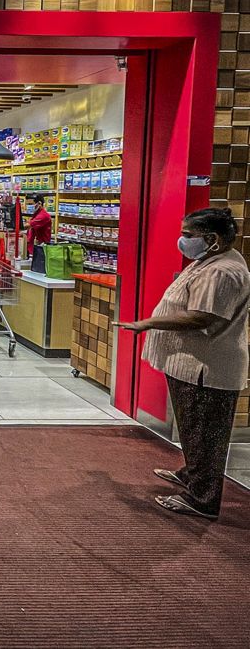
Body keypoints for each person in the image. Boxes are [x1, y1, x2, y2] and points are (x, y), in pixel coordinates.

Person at [115, 207, 250, 520]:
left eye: (188, 235)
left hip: (207, 367)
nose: (182, 241)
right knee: (193, 427)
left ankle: (203, 500)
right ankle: (192, 474)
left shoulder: (221, 271)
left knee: (206, 432)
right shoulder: (210, 261)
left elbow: (204, 316)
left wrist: (148, 323)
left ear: (212, 239)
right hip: (191, 363)